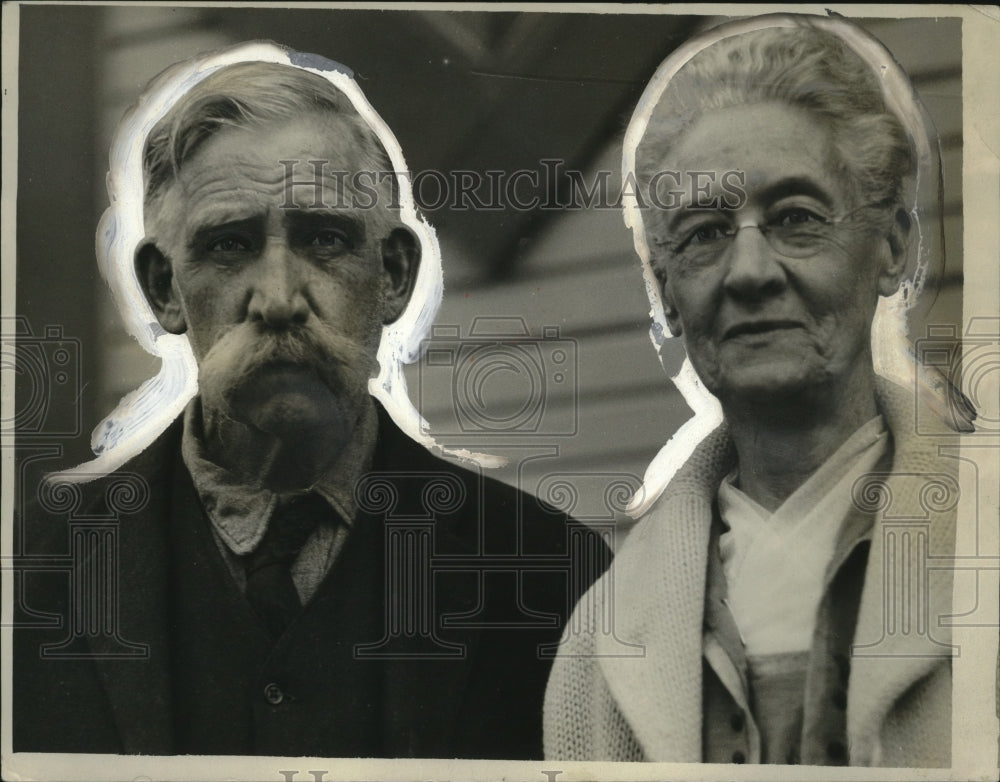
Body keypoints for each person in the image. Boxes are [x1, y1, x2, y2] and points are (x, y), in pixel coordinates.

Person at [14, 45, 609, 759]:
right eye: (230, 246)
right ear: (164, 291)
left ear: (391, 275)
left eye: (324, 239)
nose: (277, 299)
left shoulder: (549, 572)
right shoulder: (34, 573)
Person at [544, 14, 962, 766]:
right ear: (667, 296)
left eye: (796, 218)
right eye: (704, 232)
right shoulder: (599, 644)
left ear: (892, 247)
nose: (749, 272)